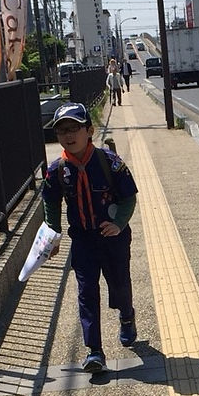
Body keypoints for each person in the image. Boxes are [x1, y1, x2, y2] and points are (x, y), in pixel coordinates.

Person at [42, 102, 138, 373]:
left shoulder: (109, 162)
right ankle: (94, 351)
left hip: (113, 238)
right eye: (62, 131)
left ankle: (127, 316)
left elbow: (129, 197)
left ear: (90, 131)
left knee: (119, 284)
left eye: (74, 129)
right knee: (86, 291)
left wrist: (119, 224)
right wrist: (53, 234)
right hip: (83, 240)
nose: (68, 135)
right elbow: (50, 202)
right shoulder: (57, 170)